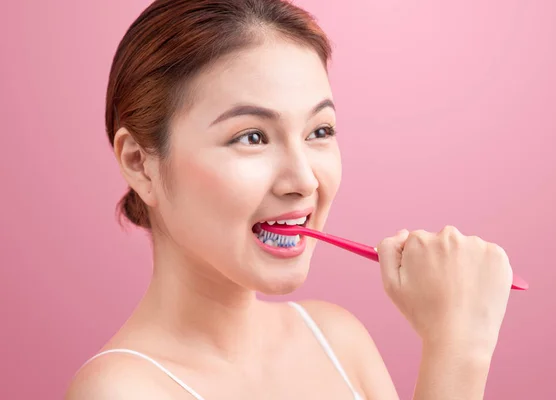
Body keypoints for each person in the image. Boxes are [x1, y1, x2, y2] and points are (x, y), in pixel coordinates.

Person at [65, 0, 514, 399]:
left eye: (319, 132)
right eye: (252, 137)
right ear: (140, 163)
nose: (303, 179)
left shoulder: (337, 340)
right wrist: (458, 348)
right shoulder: (120, 390)